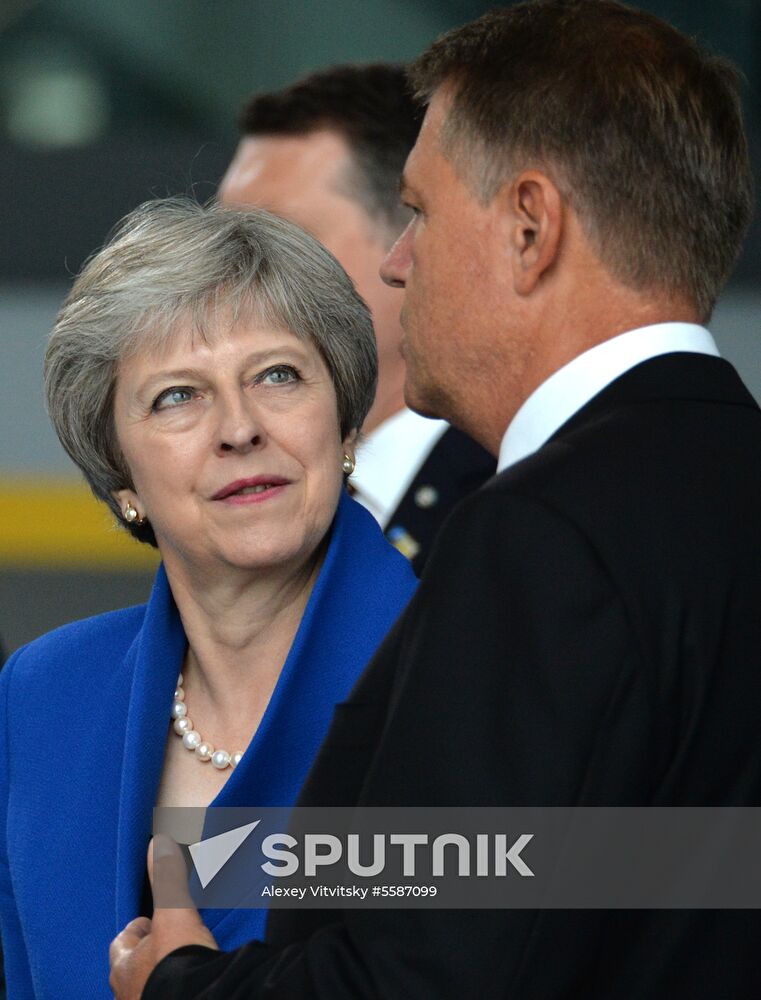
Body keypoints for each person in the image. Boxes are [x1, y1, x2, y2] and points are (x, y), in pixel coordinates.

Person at [112, 1, 761, 996]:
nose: (392, 260)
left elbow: (432, 970)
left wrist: (182, 980)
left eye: (417, 209)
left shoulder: (540, 536)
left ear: (529, 228)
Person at [0, 199, 417, 999]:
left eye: (278, 375)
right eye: (176, 397)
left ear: (346, 424)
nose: (238, 428)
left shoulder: (463, 666)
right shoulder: (42, 696)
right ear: (121, 482)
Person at [219, 63, 495, 574]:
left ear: (409, 236)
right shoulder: (224, 501)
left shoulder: (517, 499)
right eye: (221, 248)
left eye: (279, 241)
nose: (224, 282)